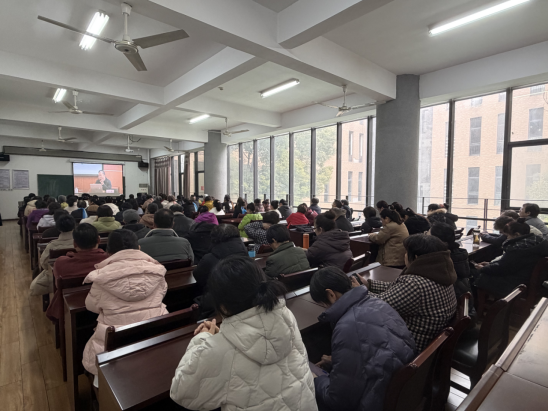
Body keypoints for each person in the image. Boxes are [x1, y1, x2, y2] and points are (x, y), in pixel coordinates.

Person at [170, 256, 317, 411]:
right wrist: (223, 338)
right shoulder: (285, 316)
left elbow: (181, 393)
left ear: (223, 306)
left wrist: (203, 338)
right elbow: (257, 340)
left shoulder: (216, 351)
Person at [311, 268, 416, 411]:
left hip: (375, 400)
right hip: (399, 391)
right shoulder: (378, 303)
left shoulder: (347, 327)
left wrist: (316, 380)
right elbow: (373, 352)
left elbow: (337, 400)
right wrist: (337, 361)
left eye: (323, 304)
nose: (324, 309)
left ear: (331, 294)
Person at [83, 230, 168, 379]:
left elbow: (91, 306)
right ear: (139, 248)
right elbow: (162, 294)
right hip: (155, 337)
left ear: (108, 252)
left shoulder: (102, 276)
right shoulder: (157, 270)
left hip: (114, 348)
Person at [357, 234, 458, 352]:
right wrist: (369, 285)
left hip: (409, 346)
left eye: (406, 252)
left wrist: (358, 290)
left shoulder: (414, 284)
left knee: (353, 327)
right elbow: (396, 290)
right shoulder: (440, 275)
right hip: (429, 343)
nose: (404, 255)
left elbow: (377, 306)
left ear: (415, 257)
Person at [46, 224, 107, 322]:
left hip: (69, 312)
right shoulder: (108, 260)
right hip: (103, 307)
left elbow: (57, 285)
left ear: (74, 244)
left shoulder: (61, 263)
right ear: (99, 240)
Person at [474, 218, 548, 298]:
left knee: (474, 273)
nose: (507, 238)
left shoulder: (518, 249)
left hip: (515, 284)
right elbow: (509, 264)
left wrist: (483, 268)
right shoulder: (536, 242)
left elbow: (502, 268)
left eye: (508, 236)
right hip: (529, 281)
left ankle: (475, 303)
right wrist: (490, 264)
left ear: (517, 234)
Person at [193, 225, 249, 318]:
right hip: (245, 299)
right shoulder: (244, 252)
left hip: (217, 303)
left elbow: (198, 276)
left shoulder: (209, 258)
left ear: (213, 239)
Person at [430, 223, 476, 319]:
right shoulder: (460, 254)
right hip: (466, 308)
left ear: (435, 239)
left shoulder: (441, 259)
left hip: (453, 314)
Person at [30, 215, 76, 296]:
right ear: (74, 226)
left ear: (58, 228)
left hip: (56, 278)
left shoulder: (52, 245)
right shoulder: (80, 242)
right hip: (76, 276)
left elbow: (43, 264)